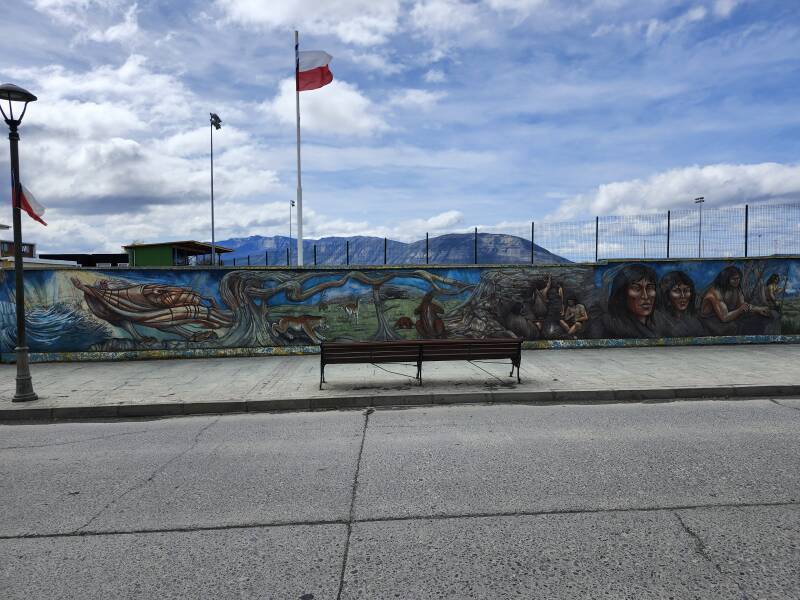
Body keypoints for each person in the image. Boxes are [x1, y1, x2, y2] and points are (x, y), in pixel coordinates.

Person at [699, 266, 770, 336]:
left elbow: (742, 305)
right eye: (734, 279)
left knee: (755, 319)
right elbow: (725, 317)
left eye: (738, 278)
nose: (737, 281)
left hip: (727, 317)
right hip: (710, 320)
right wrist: (740, 310)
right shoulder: (716, 292)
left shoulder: (736, 288)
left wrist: (758, 309)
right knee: (734, 327)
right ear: (726, 279)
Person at [602, 264, 660, 338]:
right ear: (622, 293)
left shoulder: (660, 323)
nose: (645, 296)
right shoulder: (616, 329)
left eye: (650, 288)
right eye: (636, 288)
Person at [656, 270, 704, 337]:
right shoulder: (659, 319)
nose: (683, 296)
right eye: (677, 291)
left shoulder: (694, 321)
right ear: (666, 294)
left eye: (686, 290)